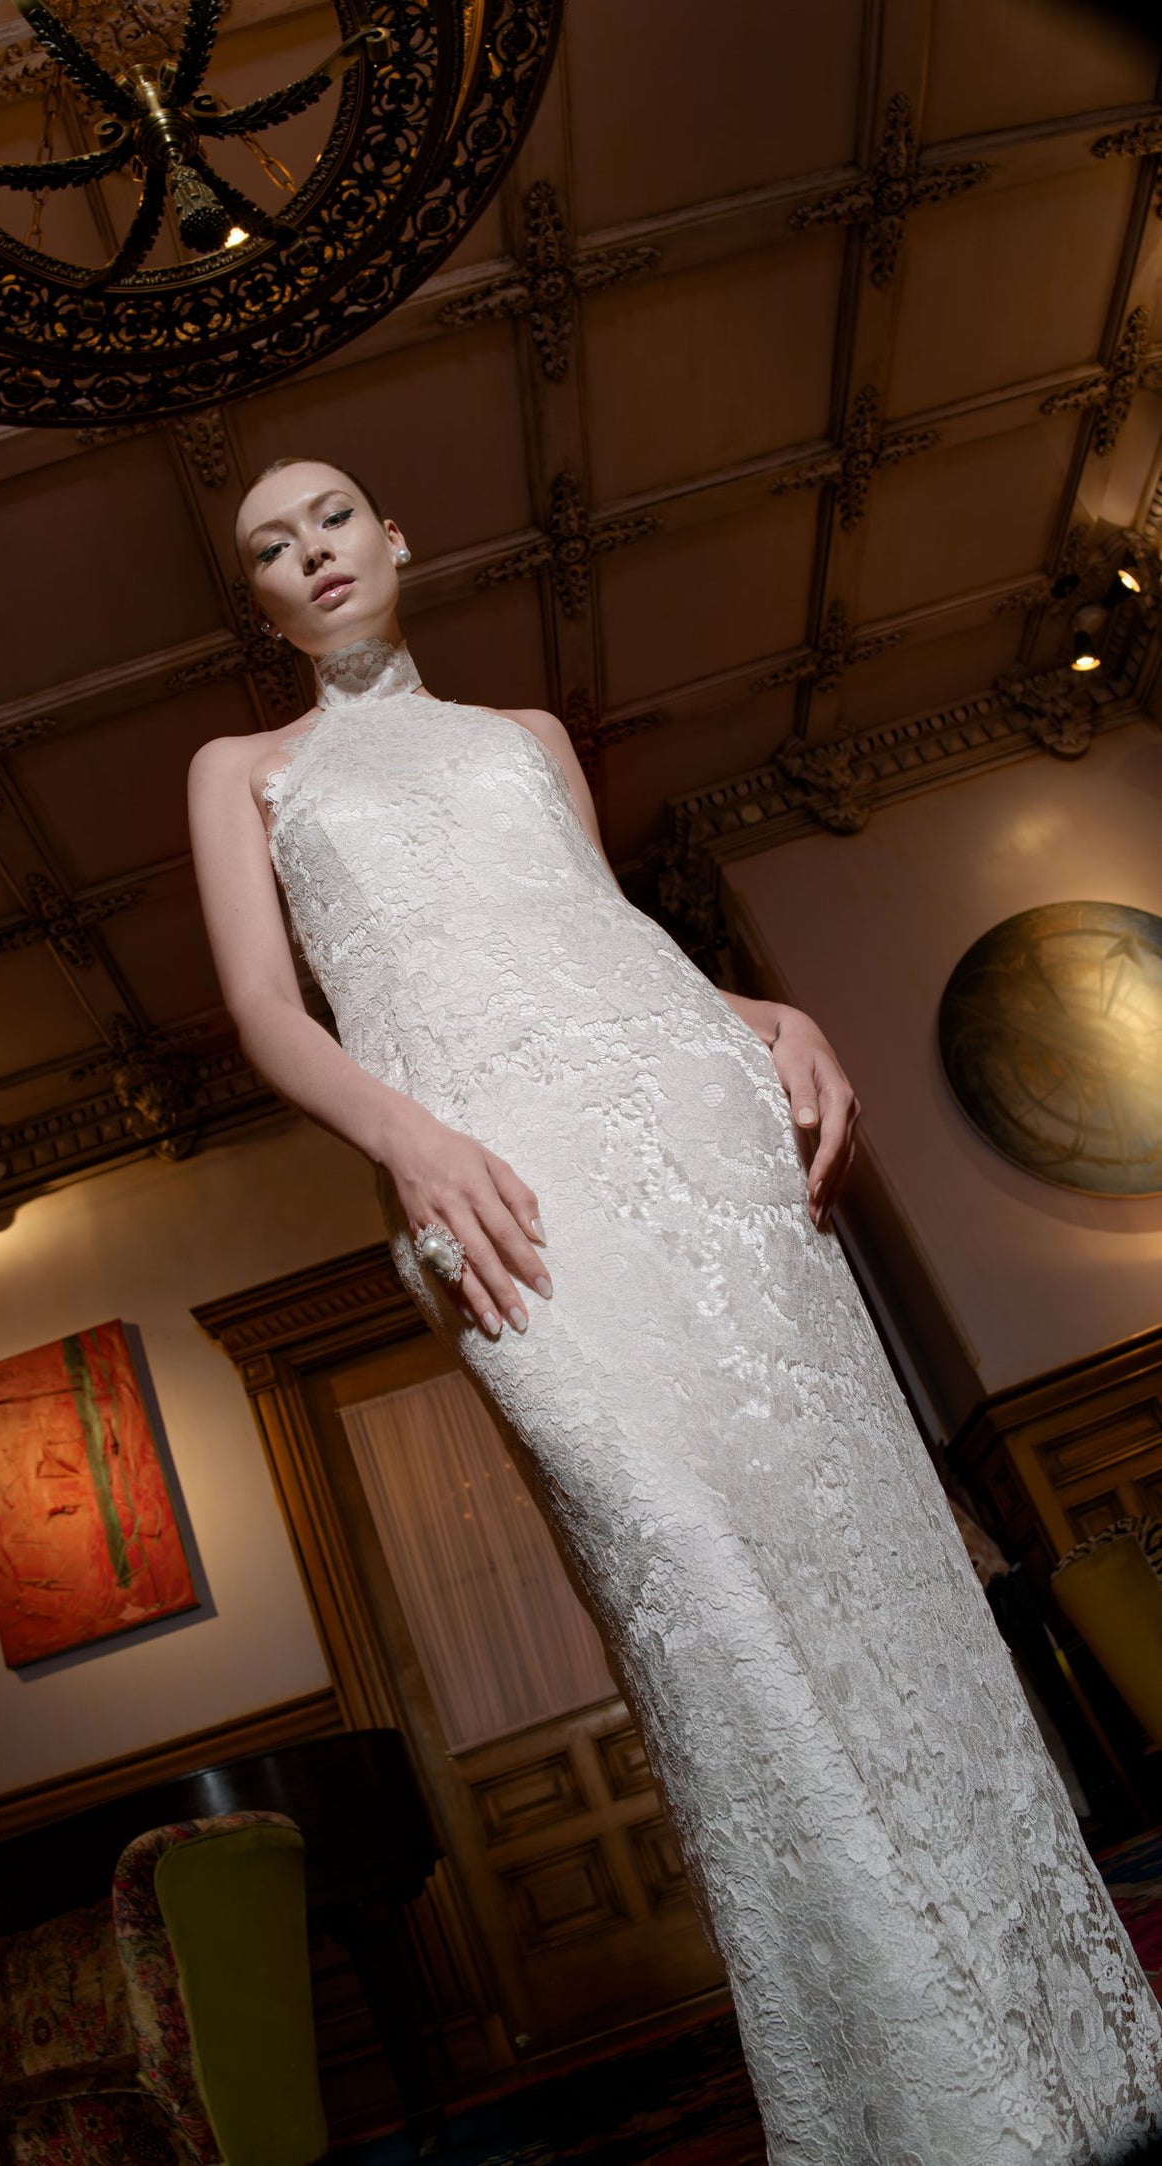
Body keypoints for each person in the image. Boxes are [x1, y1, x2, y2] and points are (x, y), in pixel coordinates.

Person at [189, 456, 1162, 2163]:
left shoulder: (528, 738)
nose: (310, 552)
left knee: (851, 1561)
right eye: (271, 546)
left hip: (690, 1139)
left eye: (332, 517)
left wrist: (763, 1015)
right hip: (495, 1186)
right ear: (259, 600)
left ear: (396, 534)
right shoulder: (243, 771)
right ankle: (914, 2104)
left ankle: (1047, 2054)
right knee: (694, 1582)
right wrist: (407, 1138)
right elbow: (270, 1011)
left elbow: (602, 936)